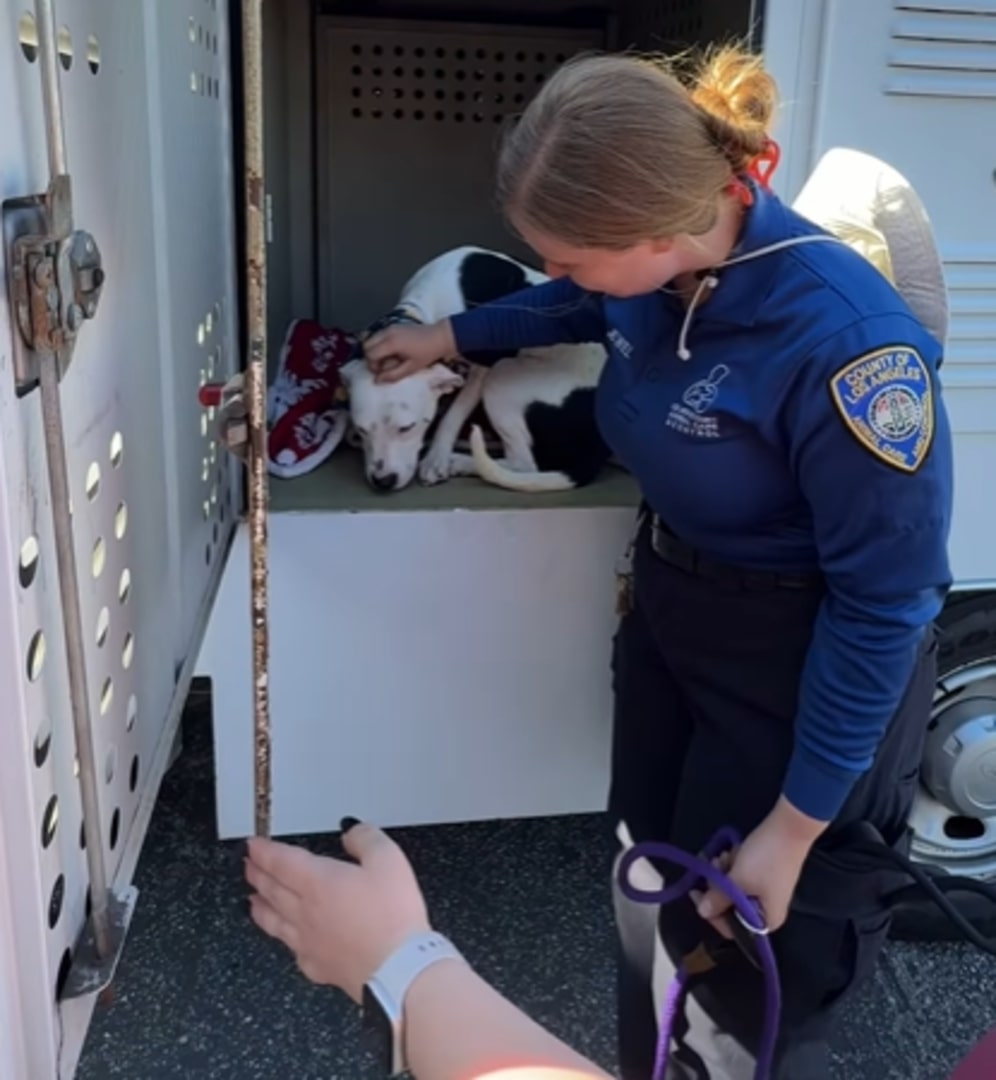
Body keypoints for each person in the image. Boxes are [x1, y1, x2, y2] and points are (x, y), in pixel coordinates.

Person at [356, 43, 954, 1079]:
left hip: (794, 665)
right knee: (651, 894)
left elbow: (885, 600)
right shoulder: (651, 275)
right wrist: (449, 334)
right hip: (676, 619)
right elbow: (573, 304)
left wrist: (797, 825)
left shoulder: (850, 347)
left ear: (658, 230)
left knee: (745, 967)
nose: (559, 275)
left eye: (572, 256)